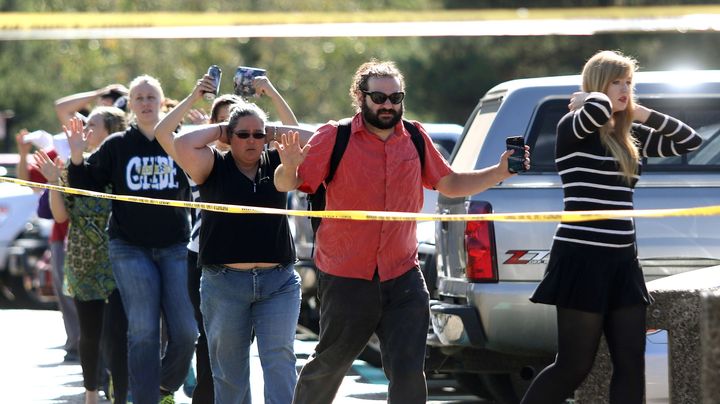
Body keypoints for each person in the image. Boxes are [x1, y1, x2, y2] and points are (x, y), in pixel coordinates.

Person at [273, 59, 530, 404]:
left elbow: (450, 183)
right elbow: (287, 183)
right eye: (379, 97)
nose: (388, 105)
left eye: (396, 97)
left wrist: (499, 172)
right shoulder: (335, 136)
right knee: (331, 364)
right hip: (347, 277)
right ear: (360, 97)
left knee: (409, 370)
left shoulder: (415, 137)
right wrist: (288, 166)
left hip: (403, 276)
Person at [521, 50, 702, 404]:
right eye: (615, 82)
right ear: (596, 86)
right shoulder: (573, 126)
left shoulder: (627, 137)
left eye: (628, 83)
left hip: (623, 263)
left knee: (632, 363)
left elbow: (690, 141)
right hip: (582, 260)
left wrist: (638, 111)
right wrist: (593, 98)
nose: (623, 89)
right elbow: (597, 112)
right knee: (574, 365)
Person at [154, 70, 300, 404]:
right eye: (243, 135)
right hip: (224, 283)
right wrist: (224, 129)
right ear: (229, 137)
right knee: (228, 373)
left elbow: (303, 137)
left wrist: (270, 126)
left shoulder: (276, 162)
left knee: (280, 362)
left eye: (257, 135)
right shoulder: (211, 164)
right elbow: (177, 140)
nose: (251, 140)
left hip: (277, 281)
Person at [67, 74, 198, 404]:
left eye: (151, 96)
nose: (145, 102)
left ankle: (162, 386)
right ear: (131, 107)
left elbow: (206, 174)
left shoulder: (178, 140)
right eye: (138, 97)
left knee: (186, 332)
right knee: (143, 330)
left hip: (174, 246)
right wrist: (78, 155)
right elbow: (85, 185)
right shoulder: (117, 145)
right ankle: (143, 399)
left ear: (162, 101)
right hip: (129, 247)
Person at [34, 107, 129, 404]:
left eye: (93, 125)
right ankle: (91, 394)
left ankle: (120, 392)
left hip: (121, 260)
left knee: (117, 334)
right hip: (83, 260)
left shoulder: (121, 166)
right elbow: (60, 216)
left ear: (111, 130)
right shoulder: (75, 167)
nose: (85, 130)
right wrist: (53, 182)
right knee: (89, 334)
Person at [15, 128, 80, 362]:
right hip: (60, 236)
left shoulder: (98, 153)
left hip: (92, 239)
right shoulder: (55, 153)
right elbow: (27, 182)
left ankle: (91, 346)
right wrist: (23, 153)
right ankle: (75, 344)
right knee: (66, 294)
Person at [55, 84, 128, 125]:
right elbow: (61, 108)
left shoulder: (129, 129)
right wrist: (99, 93)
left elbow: (61, 108)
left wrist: (129, 94)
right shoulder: (91, 127)